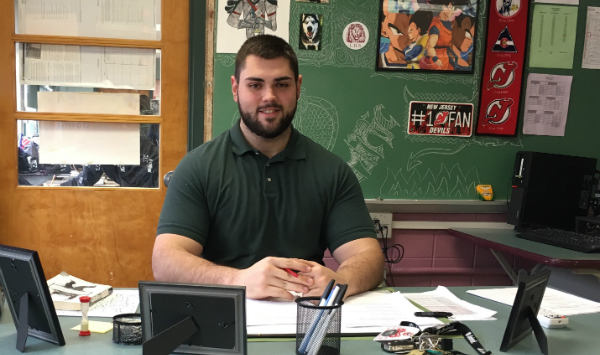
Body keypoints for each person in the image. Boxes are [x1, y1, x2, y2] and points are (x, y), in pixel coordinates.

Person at [153, 35, 384, 301]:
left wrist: (341, 280)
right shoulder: (197, 168)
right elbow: (165, 260)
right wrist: (237, 280)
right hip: (224, 316)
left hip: (304, 319)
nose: (269, 97)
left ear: (298, 87)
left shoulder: (332, 172)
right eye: (255, 85)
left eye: (281, 84)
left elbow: (368, 258)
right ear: (235, 88)